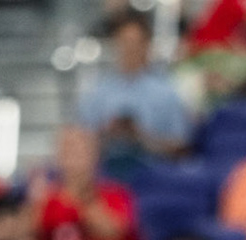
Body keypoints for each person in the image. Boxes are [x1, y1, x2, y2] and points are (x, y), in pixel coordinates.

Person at [31, 126, 138, 240]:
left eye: (80, 151)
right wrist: (36, 202)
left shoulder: (114, 193)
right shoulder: (46, 197)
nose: (73, 158)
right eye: (67, 150)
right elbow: (30, 237)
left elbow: (113, 233)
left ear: (95, 156)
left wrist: (82, 196)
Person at [77, 11, 190, 166]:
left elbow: (182, 147)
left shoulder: (166, 93)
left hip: (153, 171)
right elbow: (80, 142)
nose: (129, 49)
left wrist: (142, 137)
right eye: (124, 42)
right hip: (106, 171)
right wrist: (108, 133)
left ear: (146, 45)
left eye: (135, 43)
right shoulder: (97, 93)